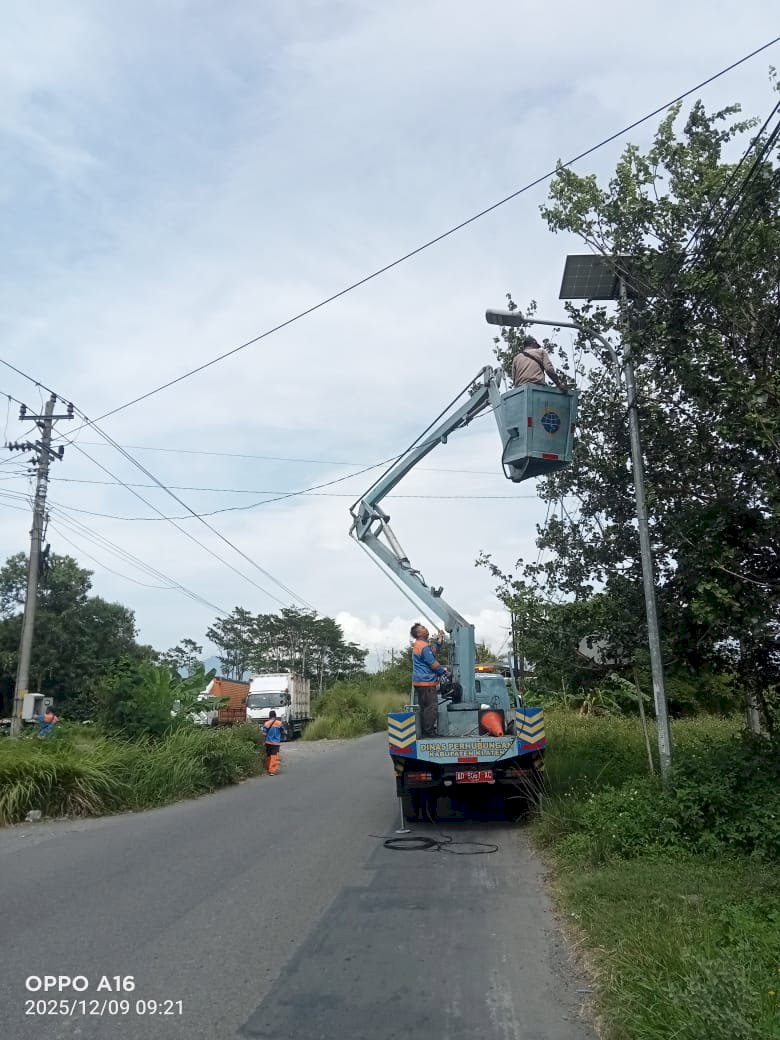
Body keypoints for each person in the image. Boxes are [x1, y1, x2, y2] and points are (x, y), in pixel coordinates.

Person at [410, 623, 449, 738]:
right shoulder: (422, 646)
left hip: (420, 682)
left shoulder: (420, 645)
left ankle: (425, 731)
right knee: (431, 707)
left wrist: (439, 640)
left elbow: (433, 652)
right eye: (422, 628)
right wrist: (445, 672)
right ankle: (429, 732)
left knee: (425, 708)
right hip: (426, 682)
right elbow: (432, 663)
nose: (425, 628)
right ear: (418, 633)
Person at [262, 710, 284, 775]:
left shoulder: (266, 723)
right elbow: (282, 731)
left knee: (268, 756)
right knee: (274, 756)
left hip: (268, 742)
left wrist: (263, 741)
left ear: (269, 716)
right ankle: (272, 771)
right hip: (276, 742)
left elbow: (264, 734)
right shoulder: (279, 723)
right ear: (275, 715)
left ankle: (268, 769)